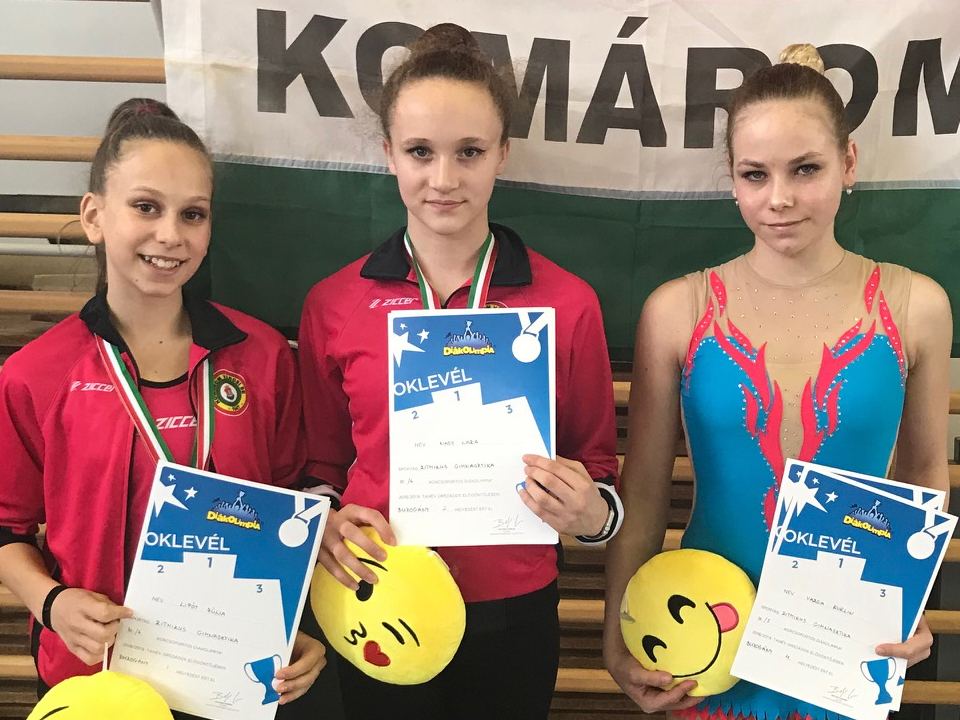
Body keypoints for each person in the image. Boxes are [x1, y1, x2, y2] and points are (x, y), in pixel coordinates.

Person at [603, 43, 952, 720]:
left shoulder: (916, 306)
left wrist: (908, 600)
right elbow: (642, 489)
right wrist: (617, 636)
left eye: (806, 169)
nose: (780, 198)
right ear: (733, 180)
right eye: (755, 174)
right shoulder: (678, 310)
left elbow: (924, 473)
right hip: (705, 643)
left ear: (849, 163)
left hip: (847, 646)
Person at [298, 24, 621, 720]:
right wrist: (322, 520)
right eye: (420, 151)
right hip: (377, 597)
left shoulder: (567, 304)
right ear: (389, 154)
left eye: (469, 152)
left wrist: (591, 514)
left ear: (502, 153)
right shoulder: (334, 304)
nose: (443, 179)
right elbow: (319, 466)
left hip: (514, 611)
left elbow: (600, 475)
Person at [0, 99, 325, 713]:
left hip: (232, 676)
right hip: (94, 679)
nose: (171, 234)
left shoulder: (262, 357)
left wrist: (293, 630)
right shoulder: (35, 374)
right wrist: (51, 603)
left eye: (192, 214)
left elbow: (293, 511)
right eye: (146, 207)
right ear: (94, 216)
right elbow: (6, 530)